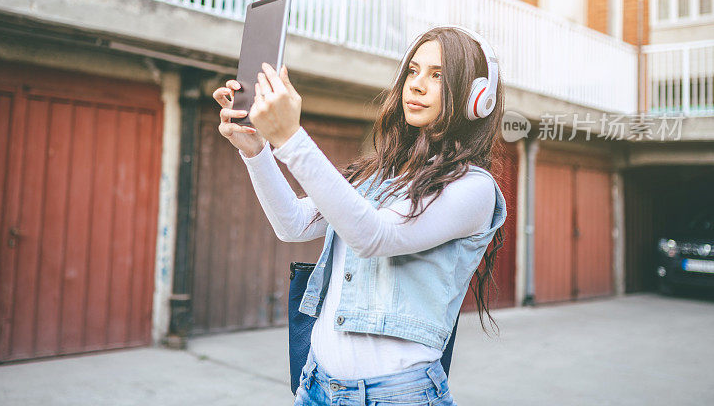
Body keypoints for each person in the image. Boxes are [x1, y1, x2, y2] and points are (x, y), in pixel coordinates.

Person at [213, 26, 508, 405]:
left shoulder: (472, 188)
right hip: (316, 385)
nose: (416, 85)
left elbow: (375, 237)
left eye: (437, 76)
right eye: (413, 71)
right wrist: (257, 151)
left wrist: (290, 137)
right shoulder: (377, 173)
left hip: (398, 396)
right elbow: (293, 224)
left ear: (476, 98)